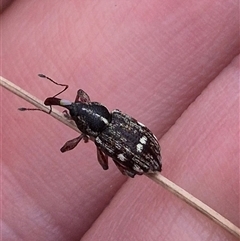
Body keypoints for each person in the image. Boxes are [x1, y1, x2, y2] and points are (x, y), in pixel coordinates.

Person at [1, 1, 239, 240]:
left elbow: (102, 162)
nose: (74, 103)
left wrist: (77, 118)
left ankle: (131, 167)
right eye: (77, 106)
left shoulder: (102, 133)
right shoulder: (109, 120)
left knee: (115, 163)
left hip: (136, 153)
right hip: (131, 142)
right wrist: (71, 108)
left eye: (78, 105)